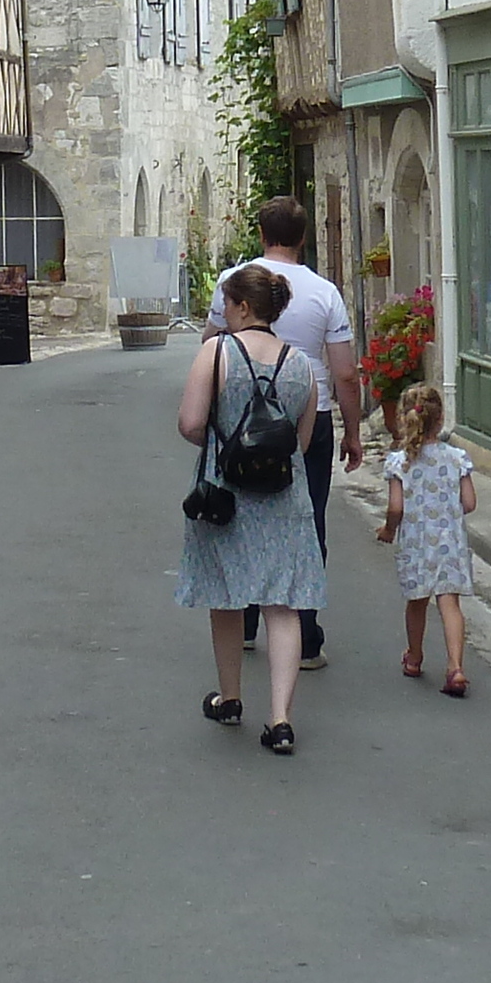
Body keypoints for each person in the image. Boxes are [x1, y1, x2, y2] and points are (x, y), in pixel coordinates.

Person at [204, 196, 365, 668]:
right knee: (305, 518)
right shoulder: (324, 292)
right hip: (305, 414)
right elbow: (345, 372)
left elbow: (212, 345)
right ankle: (306, 633)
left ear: (260, 233)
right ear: (303, 237)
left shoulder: (233, 284)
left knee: (242, 513)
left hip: (240, 417)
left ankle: (247, 621)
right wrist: (352, 432)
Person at [177, 264, 326, 756]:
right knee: (281, 605)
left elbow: (191, 422)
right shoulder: (302, 364)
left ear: (242, 307)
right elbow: (301, 443)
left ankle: (231, 697)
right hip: (285, 496)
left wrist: (226, 442)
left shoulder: (216, 352)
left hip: (227, 493)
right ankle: (280, 719)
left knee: (226, 594)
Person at [375, 382, 479, 697]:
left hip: (416, 543)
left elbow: (396, 507)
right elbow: (470, 503)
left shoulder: (399, 462)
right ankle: (456, 667)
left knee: (417, 603)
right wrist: (446, 511)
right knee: (450, 604)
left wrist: (388, 530)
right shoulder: (457, 457)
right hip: (450, 541)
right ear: (441, 417)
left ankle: (415, 656)